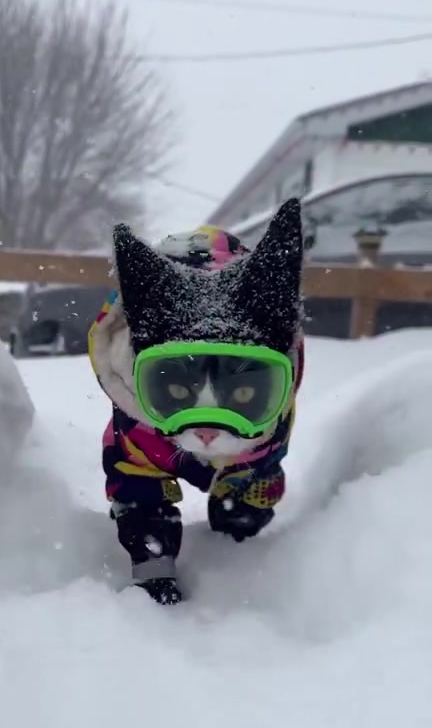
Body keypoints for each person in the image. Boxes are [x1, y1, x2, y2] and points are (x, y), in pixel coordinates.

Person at [88, 199, 305, 605]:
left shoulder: (272, 383)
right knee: (139, 478)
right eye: (174, 393)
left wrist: (247, 504)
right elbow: (133, 480)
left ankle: (236, 514)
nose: (206, 431)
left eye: (240, 395)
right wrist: (152, 565)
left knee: (251, 483)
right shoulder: (134, 406)